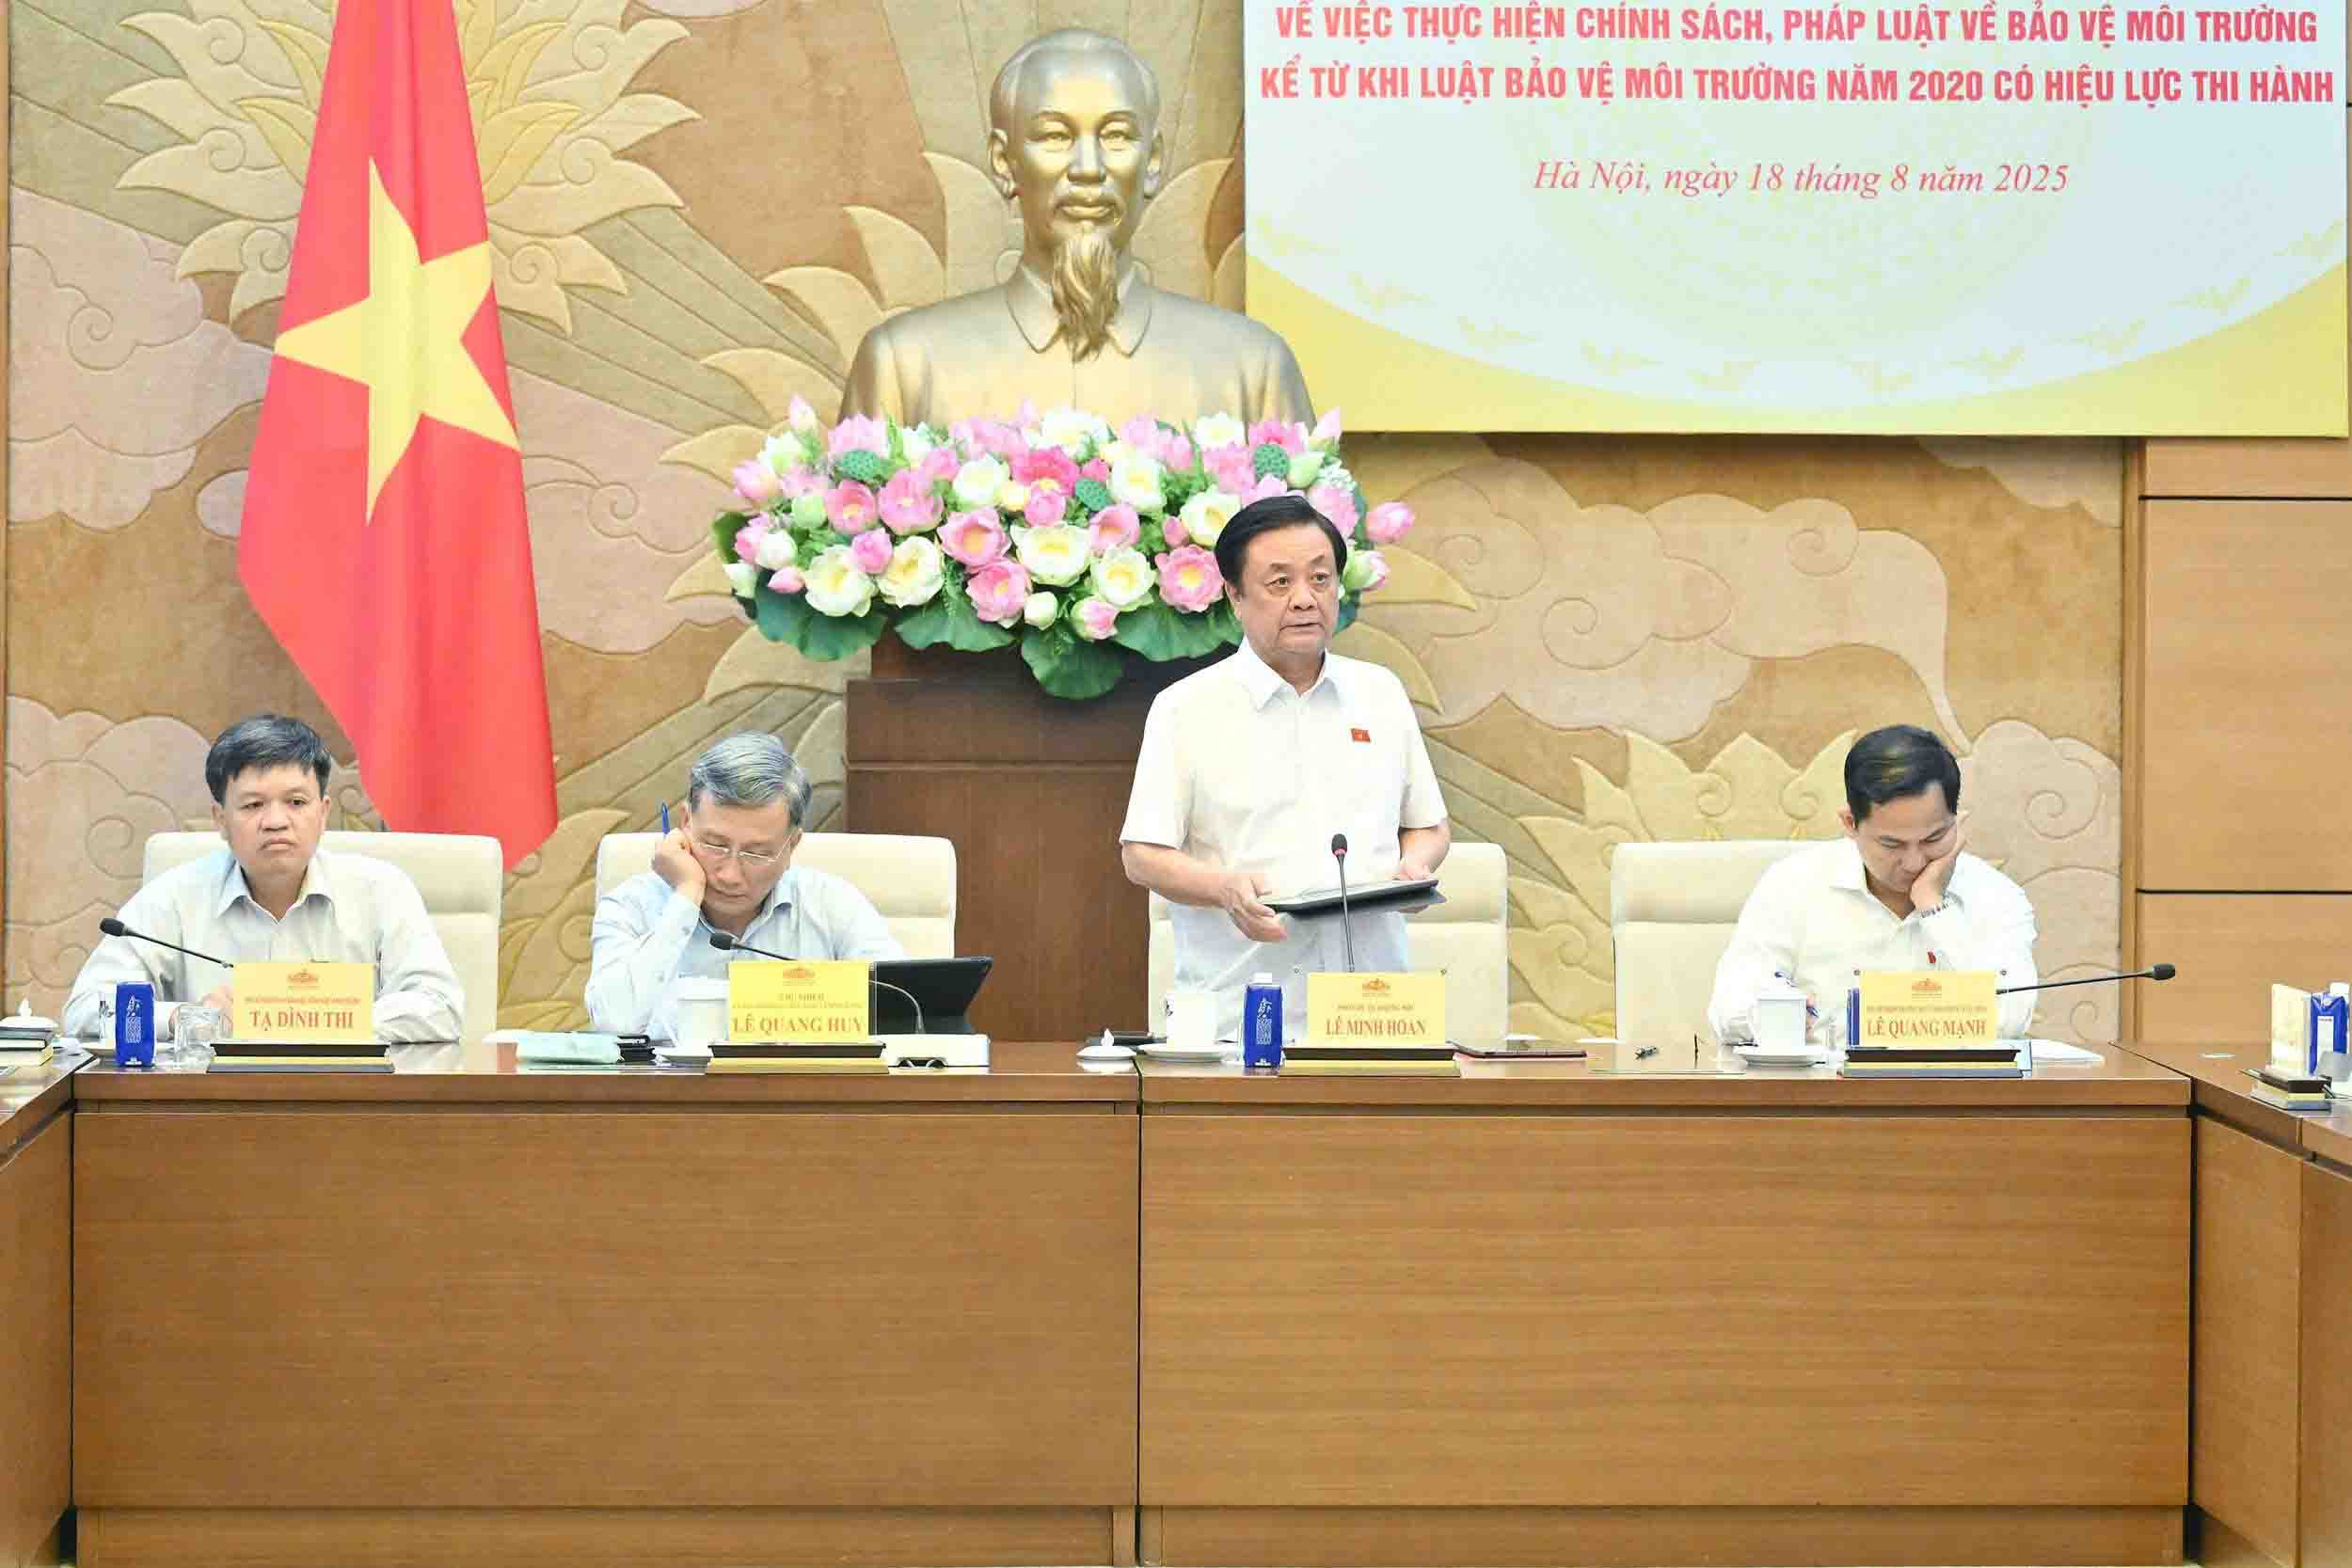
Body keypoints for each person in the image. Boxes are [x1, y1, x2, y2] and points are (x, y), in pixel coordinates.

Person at [839, 27, 1313, 428]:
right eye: (1054, 136)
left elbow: (1304, 537)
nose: (1088, 168)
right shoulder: (903, 366)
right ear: (1004, 162)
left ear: (1152, 162)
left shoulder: (1252, 369)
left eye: (1116, 136)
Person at [1120, 494, 1450, 1039]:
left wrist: (1414, 867)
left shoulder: (1380, 694)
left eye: (1321, 580)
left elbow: (1428, 825)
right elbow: (1143, 856)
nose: (1305, 599)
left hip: (1376, 1014)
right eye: (1280, 583)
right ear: (1234, 596)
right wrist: (1225, 887)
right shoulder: (1186, 708)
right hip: (1243, 1012)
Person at [62, 714, 465, 1042]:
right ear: (221, 820)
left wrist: (324, 1019)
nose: (276, 822)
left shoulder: (382, 890)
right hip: (215, 1114)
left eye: (296, 802)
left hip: (351, 1108)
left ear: (323, 812)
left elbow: (440, 1006)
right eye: (253, 805)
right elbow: (85, 1010)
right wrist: (187, 1018)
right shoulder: (174, 896)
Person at [1708, 724, 2039, 1044]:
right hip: (1825, 1096)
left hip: (1948, 1097)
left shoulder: (1997, 895)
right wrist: (1780, 1012)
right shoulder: (1794, 884)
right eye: (1892, 844)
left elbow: (2011, 1018)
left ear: (1957, 820)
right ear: (1850, 823)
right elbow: (1729, 1009)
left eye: (1934, 838)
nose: (1914, 862)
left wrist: (1934, 906)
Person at [586, 733, 902, 1038]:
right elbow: (615, 1024)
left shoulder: (832, 906)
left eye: (757, 853)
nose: (730, 874)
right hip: (671, 1091)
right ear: (685, 822)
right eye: (714, 845)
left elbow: (904, 1009)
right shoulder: (632, 906)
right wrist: (685, 897)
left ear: (792, 845)